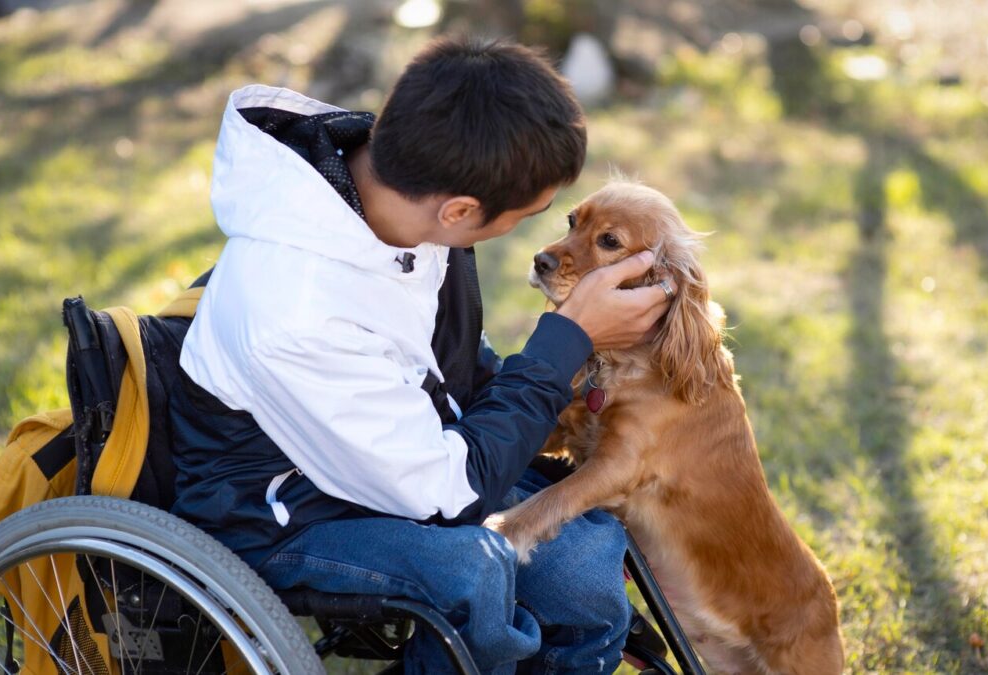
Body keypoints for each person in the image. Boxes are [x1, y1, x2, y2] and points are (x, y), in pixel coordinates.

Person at [169, 36, 670, 674]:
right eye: (526, 216)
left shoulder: (407, 204)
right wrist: (568, 336)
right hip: (285, 511)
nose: (537, 237)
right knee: (473, 573)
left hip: (396, 451)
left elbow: (453, 372)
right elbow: (446, 496)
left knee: (580, 561)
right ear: (461, 210)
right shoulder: (296, 310)